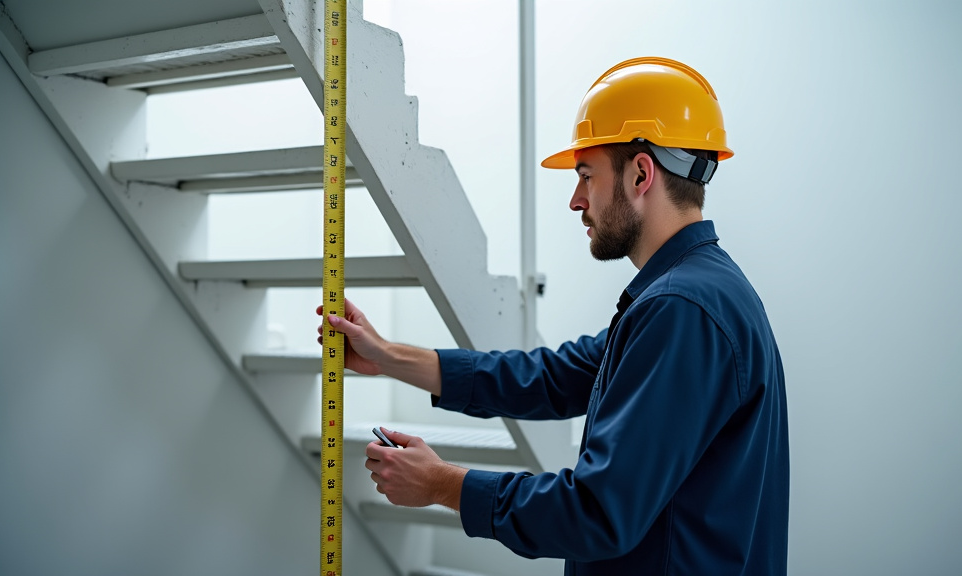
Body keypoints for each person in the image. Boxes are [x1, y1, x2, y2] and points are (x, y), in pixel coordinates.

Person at [318, 57, 788, 575]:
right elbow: (550, 377)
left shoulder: (682, 311)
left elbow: (597, 512)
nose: (575, 199)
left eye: (587, 175)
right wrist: (387, 357)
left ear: (640, 173)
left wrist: (440, 483)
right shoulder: (688, 295)